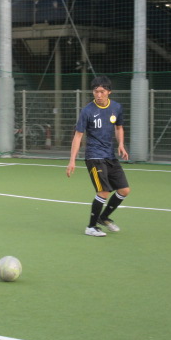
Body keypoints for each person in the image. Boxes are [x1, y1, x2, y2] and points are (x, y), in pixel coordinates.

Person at [66, 75, 131, 237]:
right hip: (94, 157)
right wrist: (72, 160)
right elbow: (78, 136)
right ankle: (91, 227)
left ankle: (104, 217)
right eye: (96, 91)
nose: (99, 95)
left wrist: (121, 144)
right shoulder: (87, 111)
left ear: (109, 92)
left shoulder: (116, 107)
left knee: (124, 190)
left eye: (102, 91)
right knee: (103, 191)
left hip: (110, 155)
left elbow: (119, 128)